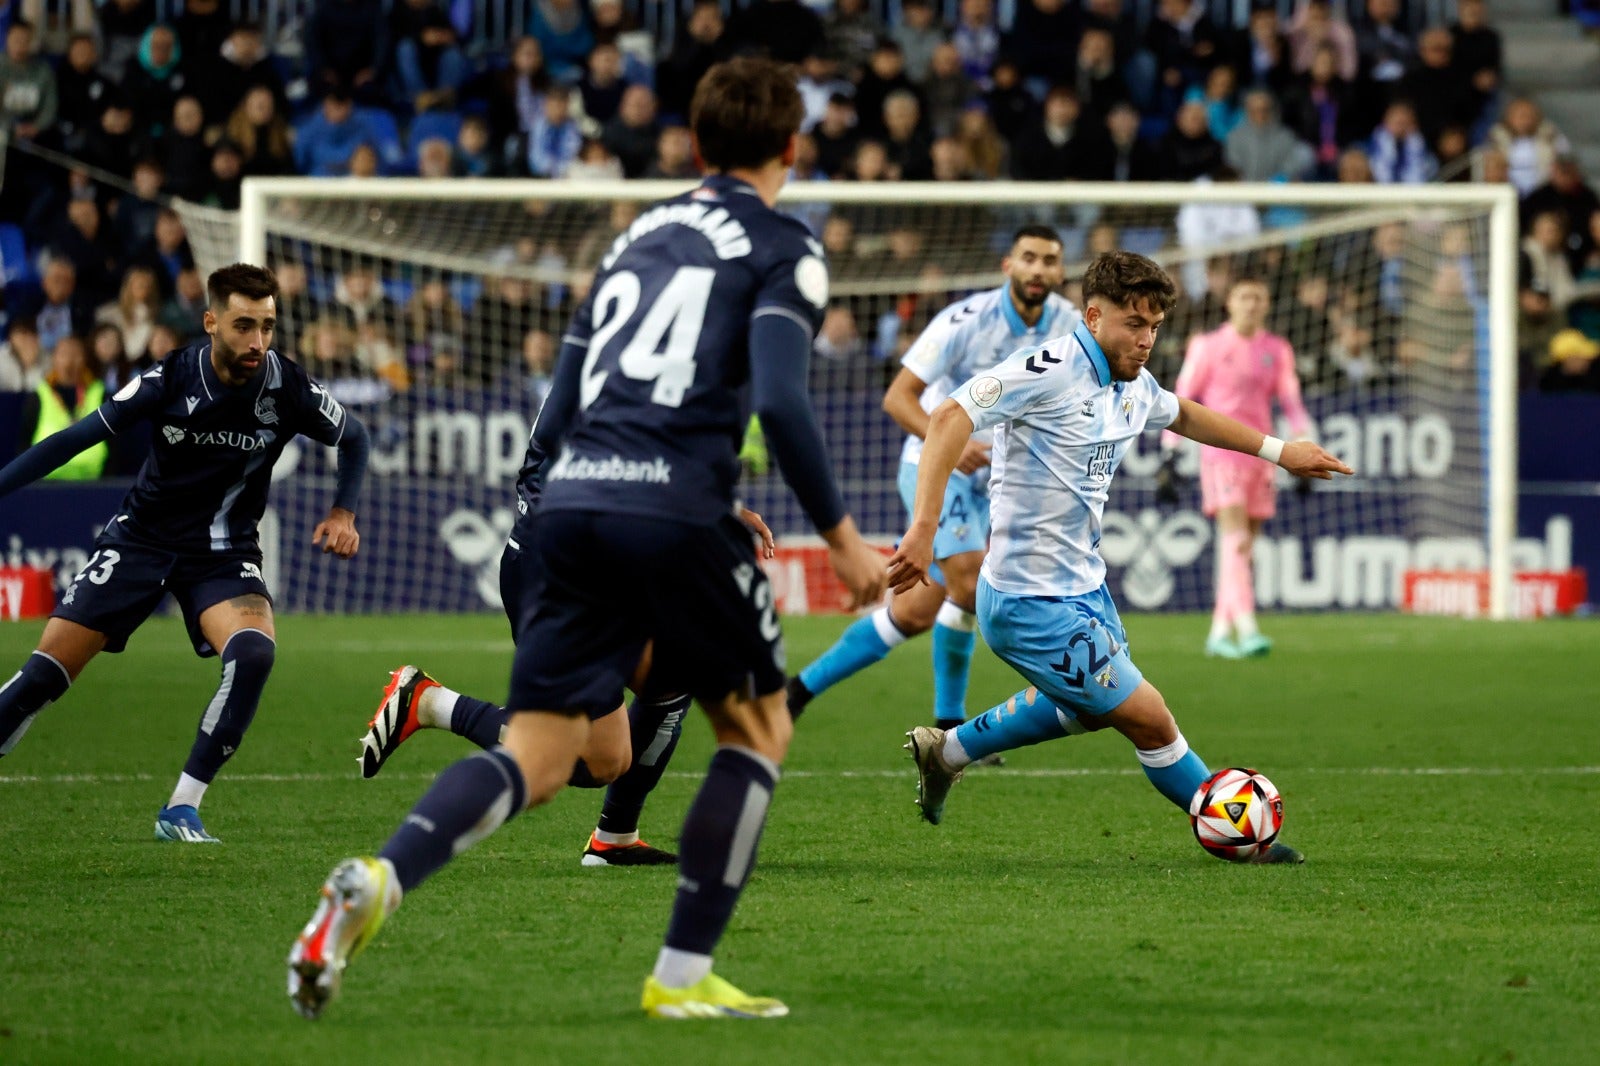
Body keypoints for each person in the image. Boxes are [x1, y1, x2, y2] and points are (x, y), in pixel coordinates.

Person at [287, 57, 887, 1022]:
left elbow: (562, 398)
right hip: (674, 508)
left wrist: (557, 495)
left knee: (542, 752)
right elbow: (779, 399)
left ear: (694, 146)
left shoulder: (637, 238)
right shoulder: (786, 245)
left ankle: (380, 879)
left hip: (567, 503)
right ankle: (679, 980)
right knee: (760, 726)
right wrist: (845, 539)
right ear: (792, 146)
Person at [887, 250, 1350, 853]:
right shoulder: (1045, 370)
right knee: (1149, 717)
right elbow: (949, 415)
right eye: (1134, 324)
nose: (1146, 339)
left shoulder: (1132, 386)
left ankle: (947, 751)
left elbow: (1183, 414)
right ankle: (1238, 831)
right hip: (1027, 598)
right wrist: (924, 527)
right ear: (1093, 315)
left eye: (1155, 327)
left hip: (1085, 586)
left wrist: (1280, 451)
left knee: (1089, 709)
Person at [0, 264, 370, 843]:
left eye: (268, 326)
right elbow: (76, 438)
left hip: (223, 552)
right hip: (141, 539)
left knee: (253, 654)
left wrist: (343, 511)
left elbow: (356, 437)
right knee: (41, 679)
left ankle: (181, 809)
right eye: (244, 325)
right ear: (211, 321)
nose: (258, 341)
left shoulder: (287, 386)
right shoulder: (171, 376)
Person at [789, 226, 1077, 735]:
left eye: (1049, 260)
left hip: (1001, 476)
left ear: (1060, 270)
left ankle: (797, 691)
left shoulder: (1070, 325)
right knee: (968, 578)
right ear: (1008, 266)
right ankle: (951, 728)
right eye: (1028, 258)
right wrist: (954, 443)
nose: (1038, 269)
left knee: (915, 613)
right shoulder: (966, 321)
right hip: (935, 463)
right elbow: (898, 397)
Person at [1156, 277, 1310, 658]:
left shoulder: (1277, 349)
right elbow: (1183, 396)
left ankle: (1219, 631)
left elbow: (1291, 401)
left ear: (1268, 303)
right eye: (1244, 296)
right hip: (1220, 454)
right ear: (1230, 303)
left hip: (1264, 455)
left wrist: (1304, 445)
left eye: (1258, 296)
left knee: (1242, 549)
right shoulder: (1208, 347)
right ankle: (1247, 627)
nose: (1251, 303)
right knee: (1235, 540)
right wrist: (1170, 451)